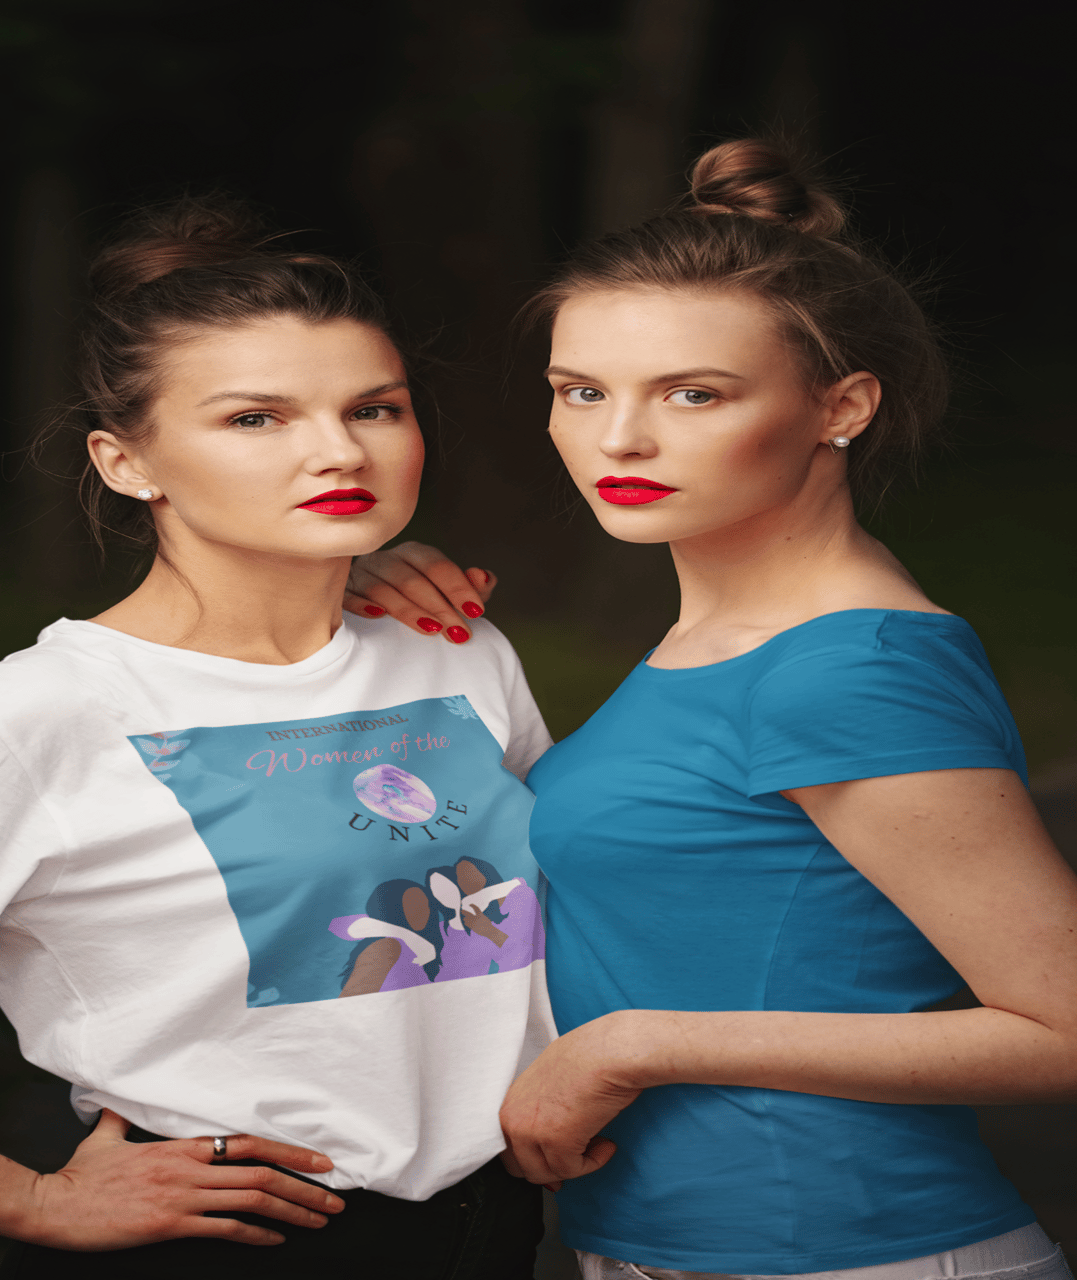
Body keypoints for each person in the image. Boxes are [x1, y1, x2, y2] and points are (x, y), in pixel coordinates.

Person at [345, 140, 1077, 1280]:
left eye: (694, 394)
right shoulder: (720, 640)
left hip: (842, 1251)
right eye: (581, 391)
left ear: (841, 406)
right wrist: (338, 591)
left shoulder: (844, 667)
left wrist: (634, 1048)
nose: (619, 438)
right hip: (673, 1247)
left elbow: (1063, 1028)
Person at [0, 198, 554, 1278]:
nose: (339, 450)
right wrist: (24, 1201)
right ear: (125, 462)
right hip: (228, 1236)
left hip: (495, 1224)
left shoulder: (453, 647)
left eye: (374, 408)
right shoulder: (36, 714)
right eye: (255, 419)